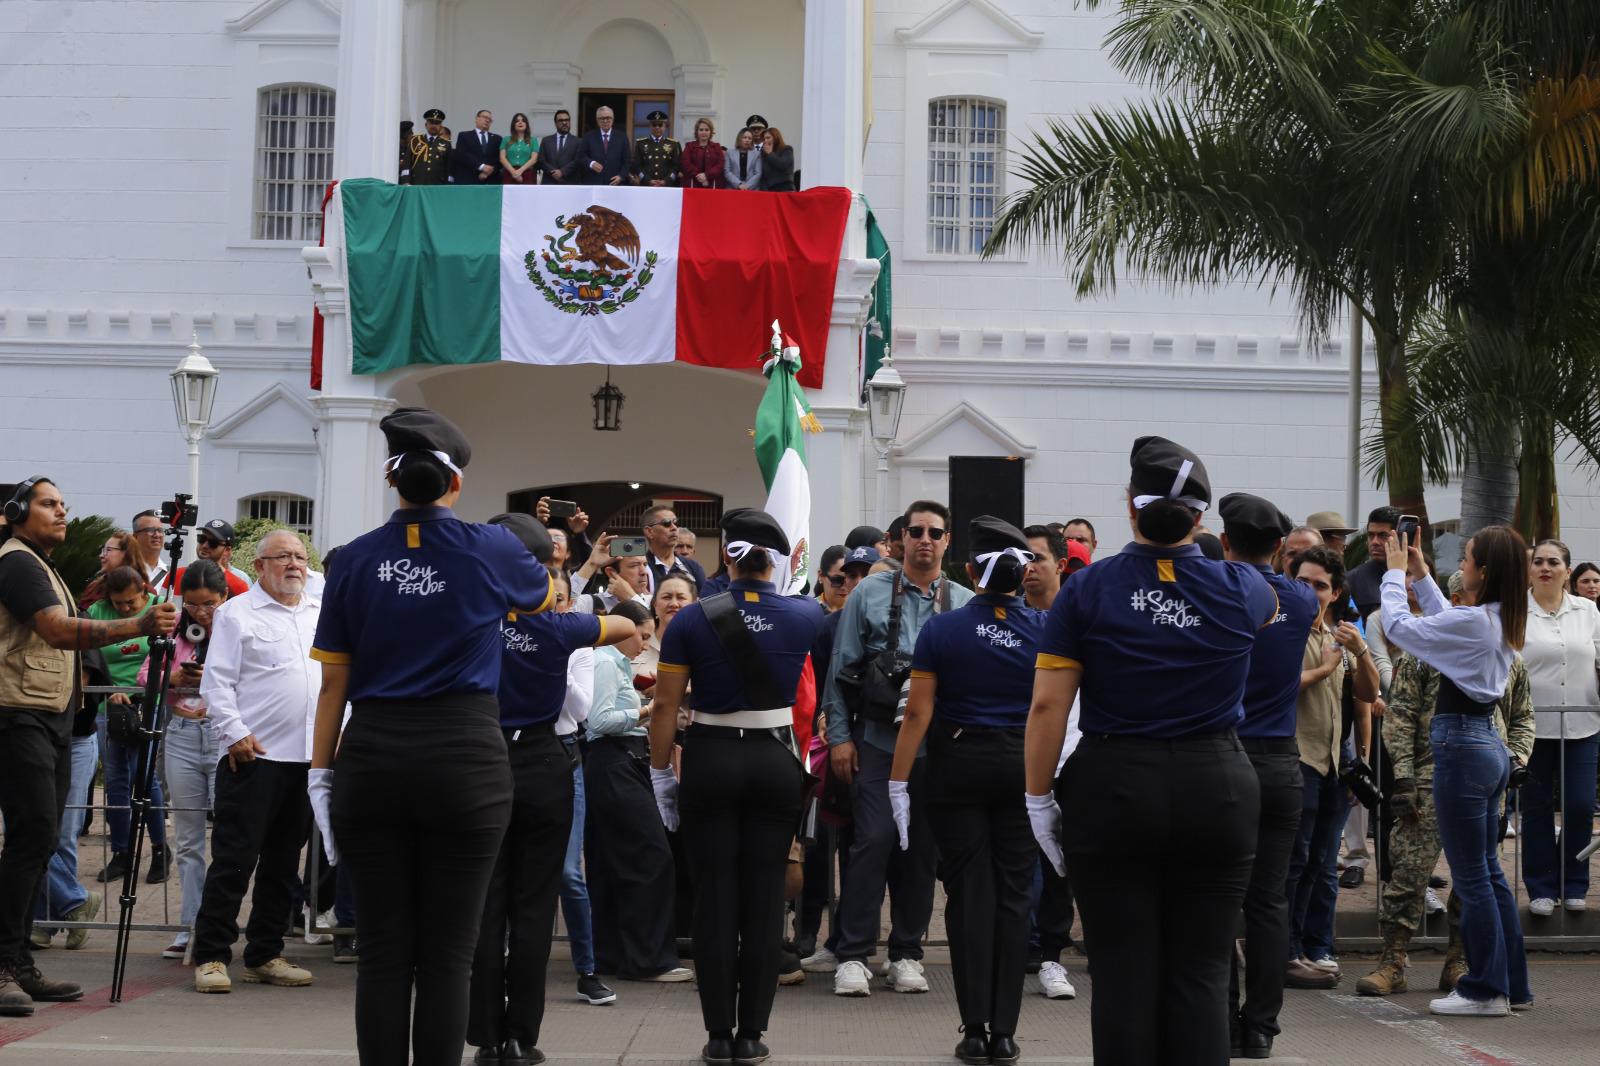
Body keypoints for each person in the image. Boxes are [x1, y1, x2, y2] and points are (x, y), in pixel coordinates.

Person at [307, 407, 553, 1063]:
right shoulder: (492, 547)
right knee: (449, 953)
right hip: (464, 757)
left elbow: (333, 684)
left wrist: (319, 774)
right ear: (455, 481)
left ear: (391, 477)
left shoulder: (352, 560)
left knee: (382, 953)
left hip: (373, 756)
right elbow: (540, 595)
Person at [1023, 437, 1277, 1066]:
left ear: (1129, 505)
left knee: (1122, 974)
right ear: (1200, 518)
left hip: (1115, 784)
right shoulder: (1243, 587)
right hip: (1215, 785)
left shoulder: (1085, 589)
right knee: (1202, 972)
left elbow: (1049, 707)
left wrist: (1037, 798)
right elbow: (1275, 605)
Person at [648, 508, 824, 1066]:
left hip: (712, 756)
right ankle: (752, 1035)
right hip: (774, 760)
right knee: (766, 897)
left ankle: (718, 1033)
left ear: (727, 555)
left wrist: (659, 772)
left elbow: (666, 707)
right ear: (775, 562)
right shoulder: (807, 615)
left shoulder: (690, 620)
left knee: (714, 898)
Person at [0, 477, 177, 1016]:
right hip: (17, 714)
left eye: (63, 504)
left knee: (41, 839)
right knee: (31, 837)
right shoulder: (18, 563)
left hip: (47, 716)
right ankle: (3, 965)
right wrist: (138, 623)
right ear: (16, 511)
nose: (61, 512)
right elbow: (56, 631)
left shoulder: (42, 564)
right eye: (48, 504)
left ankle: (19, 964)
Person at [468, 515, 637, 1064]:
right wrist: (572, 614)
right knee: (535, 904)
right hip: (544, 761)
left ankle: (486, 1033)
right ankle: (522, 1035)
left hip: (483, 758)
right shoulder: (559, 629)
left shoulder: (473, 622)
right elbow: (627, 625)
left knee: (485, 901)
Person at [890, 517, 1040, 1066]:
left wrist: (898, 781)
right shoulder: (1046, 629)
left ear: (971, 571)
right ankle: (1006, 1032)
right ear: (1022, 575)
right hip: (1022, 765)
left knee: (969, 893)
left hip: (958, 766)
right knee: (1015, 895)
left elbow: (917, 715)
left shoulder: (942, 629)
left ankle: (974, 1027)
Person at [816, 502, 972, 994]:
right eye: (916, 531)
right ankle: (853, 953)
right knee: (873, 840)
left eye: (935, 532)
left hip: (937, 747)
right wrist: (840, 738)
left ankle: (906, 953)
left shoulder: (964, 602)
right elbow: (840, 669)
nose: (925, 539)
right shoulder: (869, 592)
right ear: (901, 537)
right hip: (877, 738)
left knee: (920, 850)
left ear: (947, 541)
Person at [1379, 523, 1532, 1016]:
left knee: (1471, 877)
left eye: (1465, 558)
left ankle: (1485, 990)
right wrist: (1421, 576)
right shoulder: (1496, 616)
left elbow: (1400, 629)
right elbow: (1448, 622)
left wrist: (1394, 575)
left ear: (1482, 571)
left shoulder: (1478, 621)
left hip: (1464, 748)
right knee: (1487, 872)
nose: (1460, 565)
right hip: (1484, 744)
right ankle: (1512, 985)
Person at [1356, 637, 1533, 997]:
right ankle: (1393, 961)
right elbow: (1400, 715)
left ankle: (1459, 962)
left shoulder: (1507, 656)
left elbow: (1522, 715)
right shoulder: (1423, 654)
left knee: (1476, 880)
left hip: (1484, 780)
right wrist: (1403, 777)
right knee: (1408, 873)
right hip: (1428, 778)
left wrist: (1514, 758)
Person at [188, 533, 322, 991]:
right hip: (253, 757)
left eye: (300, 557)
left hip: (305, 758)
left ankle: (265, 953)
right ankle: (211, 955)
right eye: (283, 557)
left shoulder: (318, 612)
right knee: (234, 861)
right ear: (260, 566)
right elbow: (217, 682)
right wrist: (234, 734)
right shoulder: (236, 613)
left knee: (284, 865)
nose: (294, 564)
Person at [1218, 494, 1319, 1059]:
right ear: (1280, 547)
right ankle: (1260, 1026)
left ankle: (1223, 1019)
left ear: (1225, 542)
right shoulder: (1301, 598)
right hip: (1281, 761)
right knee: (1269, 900)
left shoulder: (1213, 591)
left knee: (1217, 896)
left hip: (1224, 757)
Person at [1284, 545, 1378, 987]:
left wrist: (1362, 651)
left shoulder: (1338, 636)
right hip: (1296, 760)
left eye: (1319, 585)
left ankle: (1317, 946)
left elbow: (1368, 696)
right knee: (1296, 861)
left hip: (1334, 765)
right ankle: (1286, 951)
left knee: (1323, 863)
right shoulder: (1281, 631)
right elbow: (1276, 687)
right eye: (1301, 582)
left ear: (1336, 592)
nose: (1310, 591)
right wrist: (1324, 670)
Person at [583, 600, 690, 983]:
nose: (645, 644)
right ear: (622, 630)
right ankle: (648, 958)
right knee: (650, 856)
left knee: (612, 860)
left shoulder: (613, 663)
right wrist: (649, 710)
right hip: (615, 760)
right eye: (642, 636)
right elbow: (599, 721)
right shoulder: (605, 663)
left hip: (617, 761)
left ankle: (614, 954)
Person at [141, 562, 228, 963]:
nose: (201, 613)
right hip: (181, 733)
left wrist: (212, 679)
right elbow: (145, 675)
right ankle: (188, 926)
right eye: (192, 604)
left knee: (228, 838)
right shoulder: (174, 630)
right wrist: (173, 678)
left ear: (224, 597)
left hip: (223, 735)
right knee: (189, 841)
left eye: (209, 604)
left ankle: (216, 928)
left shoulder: (237, 627)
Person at [1520, 539, 1600, 916]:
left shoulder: (1588, 610)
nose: (1545, 568)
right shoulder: (1516, 611)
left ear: (1568, 571)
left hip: (1583, 724)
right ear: (1529, 569)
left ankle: (1574, 882)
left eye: (1553, 562)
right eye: (1538, 562)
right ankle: (1541, 887)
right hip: (1532, 728)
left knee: (1580, 806)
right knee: (1536, 807)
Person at [549, 574, 615, 1007]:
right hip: (514, 749)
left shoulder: (580, 649)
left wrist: (554, 655)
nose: (550, 606)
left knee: (569, 872)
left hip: (563, 752)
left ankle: (587, 971)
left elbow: (579, 710)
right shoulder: (508, 637)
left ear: (571, 604)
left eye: (558, 599)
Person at [88, 568, 172, 888]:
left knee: (144, 775)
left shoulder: (158, 608)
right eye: (118, 604)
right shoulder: (97, 612)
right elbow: (89, 655)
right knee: (115, 781)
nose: (124, 609)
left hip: (147, 702)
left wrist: (140, 689)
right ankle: (121, 851)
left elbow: (167, 656)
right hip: (108, 705)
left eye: (131, 603)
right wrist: (111, 689)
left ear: (144, 593)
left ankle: (159, 848)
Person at [1347, 508, 1401, 620]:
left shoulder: (1418, 578)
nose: (1375, 542)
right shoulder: (1351, 580)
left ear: (1399, 537)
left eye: (1383, 535)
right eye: (1371, 535)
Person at [642, 506, 707, 593]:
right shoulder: (641, 567)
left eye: (675, 523)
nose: (674, 528)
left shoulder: (693, 567)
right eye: (666, 523)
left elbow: (706, 599)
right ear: (649, 532)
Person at [78, 530, 145, 609]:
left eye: (108, 550)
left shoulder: (142, 589)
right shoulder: (94, 587)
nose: (101, 555)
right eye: (103, 550)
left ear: (126, 554)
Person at [196, 520, 254, 590]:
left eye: (213, 543)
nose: (204, 546)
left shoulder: (241, 580)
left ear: (227, 550)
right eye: (202, 539)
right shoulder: (187, 574)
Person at [579, 106, 630, 186]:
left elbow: (627, 161)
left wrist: (621, 176)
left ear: (613, 119)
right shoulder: (588, 136)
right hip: (594, 183)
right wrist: (591, 163)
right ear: (597, 120)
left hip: (615, 183)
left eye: (608, 118)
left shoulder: (622, 137)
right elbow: (580, 156)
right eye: (602, 118)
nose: (605, 121)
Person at [401, 109, 452, 185]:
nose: (433, 125)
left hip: (437, 185)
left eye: (437, 123)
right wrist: (405, 181)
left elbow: (449, 168)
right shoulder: (415, 141)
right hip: (417, 183)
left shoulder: (446, 144)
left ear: (441, 126)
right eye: (431, 122)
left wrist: (448, 185)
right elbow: (407, 163)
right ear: (426, 124)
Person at [631, 110, 681, 186]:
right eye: (654, 125)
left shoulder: (673, 144)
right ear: (650, 126)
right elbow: (637, 165)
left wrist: (666, 181)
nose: (657, 127)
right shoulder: (640, 143)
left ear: (665, 126)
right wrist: (647, 180)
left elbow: (676, 166)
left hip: (667, 186)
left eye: (660, 125)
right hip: (646, 185)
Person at [451, 109, 501, 185]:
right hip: (468, 178)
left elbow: (499, 159)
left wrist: (488, 172)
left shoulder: (497, 138)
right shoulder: (464, 136)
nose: (487, 120)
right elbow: (462, 154)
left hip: (490, 180)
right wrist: (481, 166)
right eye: (485, 117)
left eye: (490, 120)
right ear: (476, 119)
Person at [130, 509, 172, 587]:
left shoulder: (172, 574)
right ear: (135, 537)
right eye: (150, 530)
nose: (157, 535)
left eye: (160, 530)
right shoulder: (124, 571)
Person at [538, 110, 580, 185]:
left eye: (567, 120)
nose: (564, 123)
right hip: (549, 182)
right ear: (555, 123)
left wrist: (562, 172)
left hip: (570, 183)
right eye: (561, 120)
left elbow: (577, 161)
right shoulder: (546, 140)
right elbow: (541, 160)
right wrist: (554, 172)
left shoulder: (578, 141)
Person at [681, 118, 724, 189]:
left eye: (707, 130)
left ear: (711, 132)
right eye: (701, 130)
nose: (704, 132)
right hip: (693, 184)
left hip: (712, 184)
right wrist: (701, 177)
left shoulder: (716, 147)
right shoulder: (689, 146)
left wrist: (706, 175)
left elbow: (720, 165)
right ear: (697, 131)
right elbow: (686, 164)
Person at [500, 112, 538, 186]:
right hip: (509, 174)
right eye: (517, 121)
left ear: (526, 125)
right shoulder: (506, 139)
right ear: (513, 125)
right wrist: (513, 172)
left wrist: (520, 171)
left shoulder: (533, 140)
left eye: (523, 121)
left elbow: (534, 159)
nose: (520, 122)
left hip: (527, 174)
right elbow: (502, 158)